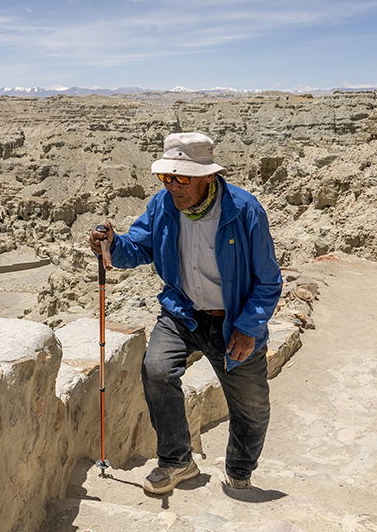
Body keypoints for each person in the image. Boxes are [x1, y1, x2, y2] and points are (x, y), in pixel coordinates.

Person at [89, 132, 282, 495]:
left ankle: (240, 469)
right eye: (167, 177)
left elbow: (268, 281)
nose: (173, 186)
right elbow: (138, 249)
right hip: (184, 312)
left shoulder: (244, 210)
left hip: (234, 320)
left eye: (182, 178)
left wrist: (248, 327)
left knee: (252, 406)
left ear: (208, 176)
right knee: (157, 370)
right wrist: (112, 244)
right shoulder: (162, 205)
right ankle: (177, 460)